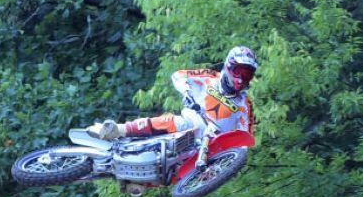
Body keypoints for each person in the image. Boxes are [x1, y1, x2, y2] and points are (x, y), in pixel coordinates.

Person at [89, 46, 258, 142]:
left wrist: (235, 149)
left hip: (214, 143)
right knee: (176, 122)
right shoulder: (208, 77)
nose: (242, 78)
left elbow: (246, 137)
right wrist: (186, 93)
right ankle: (118, 129)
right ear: (229, 66)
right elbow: (179, 75)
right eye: (240, 71)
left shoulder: (244, 104)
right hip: (193, 121)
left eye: (247, 74)